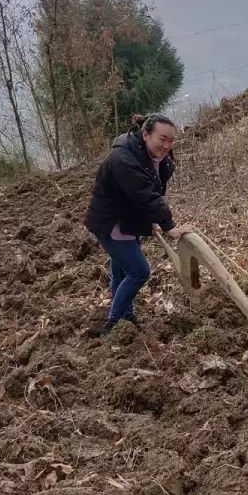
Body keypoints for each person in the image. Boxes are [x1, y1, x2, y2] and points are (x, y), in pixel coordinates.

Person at [84, 114, 192, 333]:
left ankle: (125, 316)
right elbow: (146, 194)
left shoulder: (155, 157)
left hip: (129, 219)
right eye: (162, 139)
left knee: (122, 272)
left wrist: (150, 220)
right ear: (145, 135)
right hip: (112, 222)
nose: (167, 145)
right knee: (139, 271)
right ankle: (114, 324)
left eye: (171, 140)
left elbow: (148, 192)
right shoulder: (123, 159)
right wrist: (169, 226)